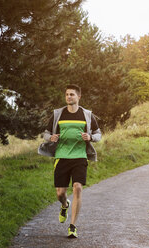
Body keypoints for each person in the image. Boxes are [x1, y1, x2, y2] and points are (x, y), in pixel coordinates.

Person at [38, 84, 101, 238]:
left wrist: (90, 137)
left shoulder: (87, 115)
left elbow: (98, 134)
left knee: (78, 187)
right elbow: (46, 134)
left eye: (72, 94)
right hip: (61, 157)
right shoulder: (58, 114)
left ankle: (72, 226)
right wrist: (51, 138)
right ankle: (65, 205)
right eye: (67, 94)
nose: (68, 97)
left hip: (79, 156)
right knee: (60, 193)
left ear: (79, 97)